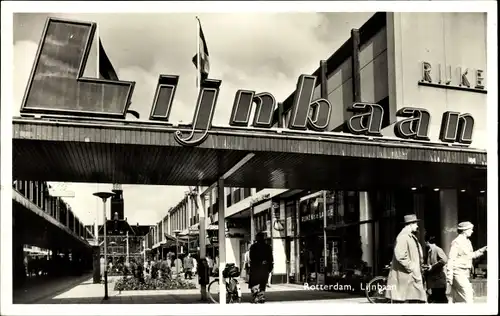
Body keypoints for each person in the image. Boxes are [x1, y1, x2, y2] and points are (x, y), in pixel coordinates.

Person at [385, 214, 427, 303]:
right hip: (407, 276)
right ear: (411, 224)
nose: (417, 226)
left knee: (414, 300)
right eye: (416, 223)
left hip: (410, 276)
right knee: (409, 302)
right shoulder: (403, 236)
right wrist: (412, 267)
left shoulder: (409, 236)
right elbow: (400, 256)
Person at [447, 221, 487, 303]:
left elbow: (470, 255)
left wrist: (482, 250)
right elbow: (451, 259)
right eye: (470, 229)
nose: (472, 231)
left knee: (462, 298)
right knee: (468, 294)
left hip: (465, 272)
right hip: (458, 271)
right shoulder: (457, 242)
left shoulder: (467, 242)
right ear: (465, 230)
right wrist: (449, 276)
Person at [249, 232, 274, 304]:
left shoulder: (253, 246)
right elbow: (270, 258)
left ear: (257, 238)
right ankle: (261, 296)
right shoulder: (268, 247)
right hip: (264, 267)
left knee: (254, 282)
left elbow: (251, 257)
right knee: (263, 283)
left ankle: (256, 295)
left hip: (256, 267)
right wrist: (270, 267)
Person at [425, 235, 448, 303]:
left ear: (426, 242)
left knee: (440, 299)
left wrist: (433, 266)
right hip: (434, 281)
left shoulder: (437, 249)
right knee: (435, 298)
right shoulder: (430, 250)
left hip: (438, 280)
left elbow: (444, 260)